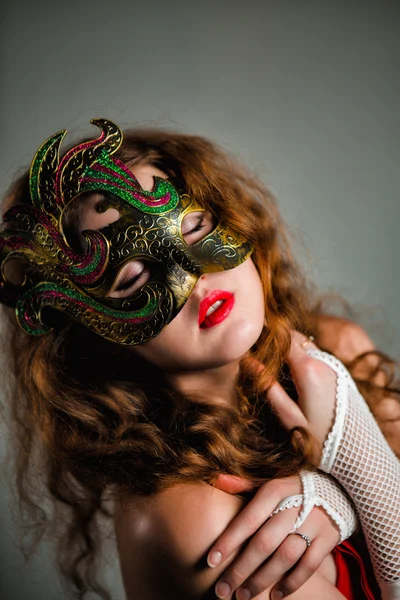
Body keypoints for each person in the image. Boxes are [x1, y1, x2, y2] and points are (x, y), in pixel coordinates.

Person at [0, 119, 399, 600]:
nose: (196, 280)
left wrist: (345, 490)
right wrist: (360, 457)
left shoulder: (339, 350)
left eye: (192, 227)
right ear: (97, 337)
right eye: (133, 278)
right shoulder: (191, 516)